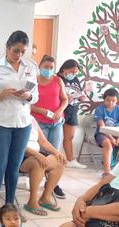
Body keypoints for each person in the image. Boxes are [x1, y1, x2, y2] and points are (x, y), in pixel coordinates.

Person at [0, 30, 39, 224]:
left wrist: (28, 96)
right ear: (7, 48)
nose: (18, 55)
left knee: (13, 168)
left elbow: (35, 95)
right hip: (0, 122)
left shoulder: (30, 68)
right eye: (15, 51)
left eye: (22, 51)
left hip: (22, 123)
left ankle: (10, 207)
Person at [30, 55, 68, 199]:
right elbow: (28, 104)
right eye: (46, 67)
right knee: (41, 153)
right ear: (40, 66)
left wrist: (59, 111)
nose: (49, 70)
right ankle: (38, 180)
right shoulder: (33, 81)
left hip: (56, 123)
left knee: (55, 153)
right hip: (39, 122)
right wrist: (42, 111)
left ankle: (53, 184)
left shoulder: (58, 80)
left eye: (51, 68)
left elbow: (64, 99)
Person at [19, 118, 66, 216]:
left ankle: (45, 198)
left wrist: (57, 152)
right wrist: (37, 155)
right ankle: (32, 202)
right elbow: (18, 144)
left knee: (59, 162)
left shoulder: (31, 119)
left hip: (37, 153)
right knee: (39, 163)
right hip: (21, 156)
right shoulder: (14, 120)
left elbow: (43, 141)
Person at [58, 59, 88, 169]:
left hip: (73, 109)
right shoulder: (57, 79)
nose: (74, 74)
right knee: (53, 136)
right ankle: (53, 159)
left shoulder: (75, 79)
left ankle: (70, 160)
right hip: (60, 110)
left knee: (69, 136)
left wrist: (81, 96)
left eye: (75, 73)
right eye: (71, 72)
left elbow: (79, 92)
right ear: (64, 69)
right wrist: (65, 97)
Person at [94, 88, 119, 177]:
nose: (111, 103)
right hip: (103, 133)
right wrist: (112, 138)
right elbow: (102, 127)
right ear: (104, 99)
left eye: (113, 101)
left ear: (117, 100)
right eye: (108, 100)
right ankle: (107, 172)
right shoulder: (99, 110)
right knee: (107, 144)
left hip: (118, 133)